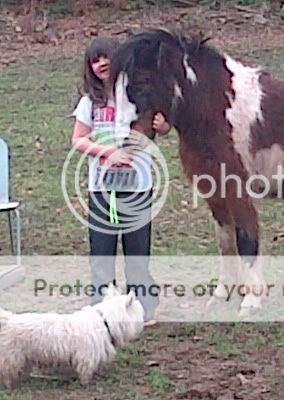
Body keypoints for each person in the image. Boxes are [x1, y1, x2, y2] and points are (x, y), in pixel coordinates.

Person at [70, 37, 171, 327]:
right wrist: (106, 153)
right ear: (89, 68)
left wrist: (163, 127)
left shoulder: (140, 97)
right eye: (95, 59)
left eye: (108, 57)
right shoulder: (90, 103)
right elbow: (78, 139)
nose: (102, 63)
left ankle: (142, 307)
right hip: (103, 189)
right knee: (102, 250)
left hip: (138, 187)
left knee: (137, 249)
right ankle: (103, 308)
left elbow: (162, 126)